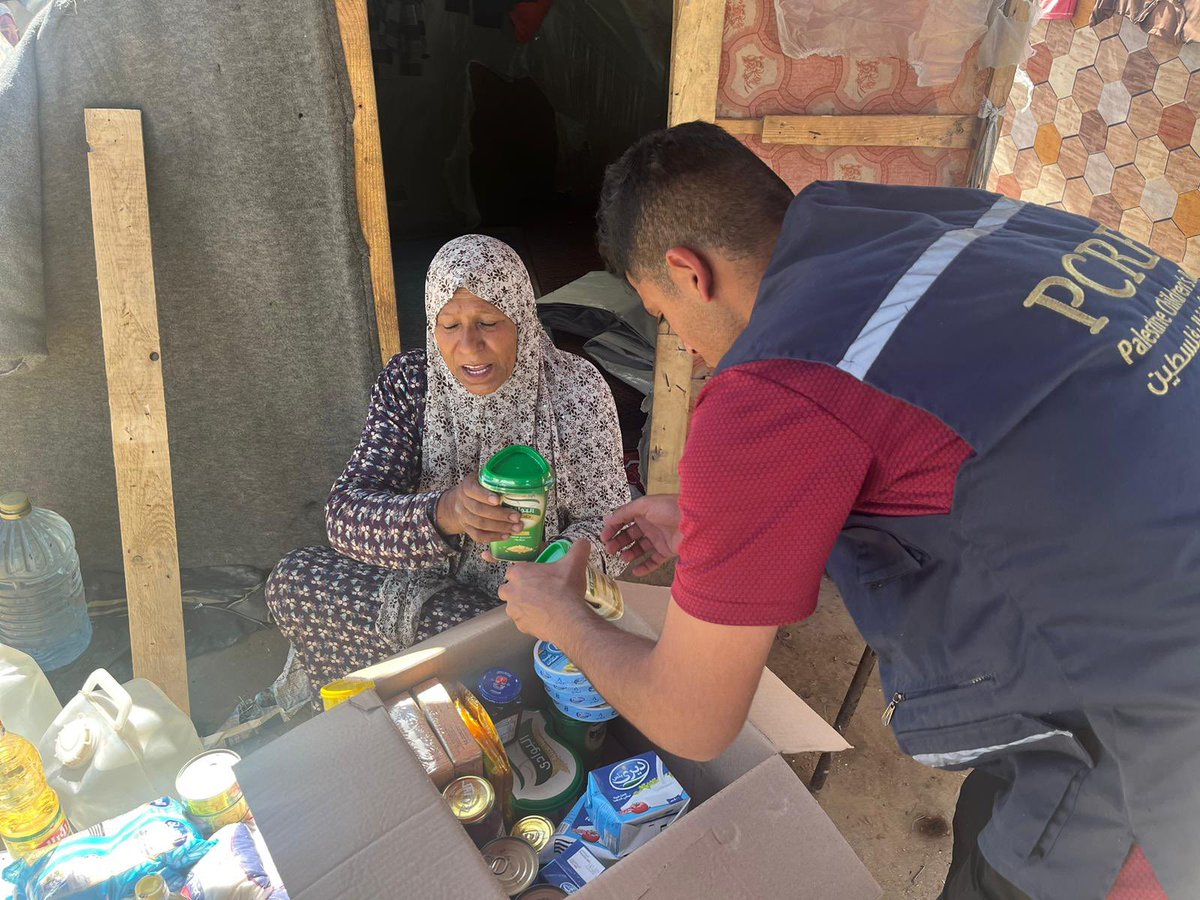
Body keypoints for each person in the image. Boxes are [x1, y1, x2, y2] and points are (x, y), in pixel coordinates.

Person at [498, 123, 1199, 899]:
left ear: (687, 272)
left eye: (663, 317)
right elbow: (934, 431)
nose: (683, 348)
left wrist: (563, 618)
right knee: (990, 813)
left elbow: (693, 718)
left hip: (1156, 737)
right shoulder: (939, 221)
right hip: (1152, 547)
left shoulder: (768, 386)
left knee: (1012, 874)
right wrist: (725, 519)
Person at [266, 234, 629, 696]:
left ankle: (451, 684)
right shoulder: (410, 383)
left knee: (509, 640)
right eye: (450, 325)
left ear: (520, 316)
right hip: (420, 590)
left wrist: (557, 564)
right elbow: (344, 517)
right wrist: (445, 513)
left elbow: (612, 526)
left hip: (524, 608)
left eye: (488, 322)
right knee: (295, 581)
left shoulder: (575, 390)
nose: (470, 346)